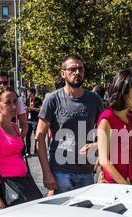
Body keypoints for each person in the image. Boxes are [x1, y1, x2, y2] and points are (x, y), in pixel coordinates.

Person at [36, 54, 103, 194]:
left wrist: (97, 145)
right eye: (72, 69)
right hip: (61, 171)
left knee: (85, 213)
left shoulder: (94, 100)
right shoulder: (53, 99)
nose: (77, 73)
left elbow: (105, 132)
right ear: (63, 73)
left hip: (86, 171)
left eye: (80, 69)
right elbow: (39, 137)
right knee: (63, 214)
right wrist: (47, 173)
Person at [0, 87, 30, 212]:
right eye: (8, 102)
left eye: (15, 101)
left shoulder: (14, 126)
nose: (14, 106)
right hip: (3, 188)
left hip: (21, 185)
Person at [97, 69, 132, 185]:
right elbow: (104, 160)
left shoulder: (130, 118)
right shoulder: (107, 118)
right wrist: (124, 185)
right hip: (115, 184)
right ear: (124, 92)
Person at [0, 71, 28, 140]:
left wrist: (19, 140)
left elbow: (24, 124)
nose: (2, 85)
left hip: (12, 139)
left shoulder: (17, 100)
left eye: (5, 83)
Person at [25, 87, 42, 156]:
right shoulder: (27, 100)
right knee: (27, 136)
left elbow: (40, 109)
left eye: (28, 92)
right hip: (28, 120)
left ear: (32, 93)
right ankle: (28, 151)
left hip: (35, 120)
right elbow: (26, 109)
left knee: (36, 136)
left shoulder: (38, 100)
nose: (27, 93)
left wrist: (32, 109)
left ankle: (36, 151)